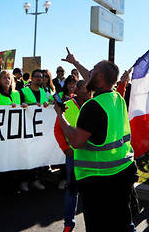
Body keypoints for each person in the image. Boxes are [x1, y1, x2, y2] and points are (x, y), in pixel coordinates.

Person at [55, 60, 137, 232]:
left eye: (93, 70)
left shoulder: (92, 106)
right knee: (124, 224)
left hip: (99, 181)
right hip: (122, 172)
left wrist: (60, 116)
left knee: (99, 227)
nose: (88, 72)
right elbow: (97, 79)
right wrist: (75, 62)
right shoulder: (117, 98)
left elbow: (77, 141)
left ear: (99, 76)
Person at [53, 79, 90, 232]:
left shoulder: (93, 105)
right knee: (72, 191)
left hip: (90, 156)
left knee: (90, 191)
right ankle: (69, 223)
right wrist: (65, 149)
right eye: (87, 89)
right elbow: (57, 129)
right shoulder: (67, 106)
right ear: (79, 89)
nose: (90, 92)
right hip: (73, 155)